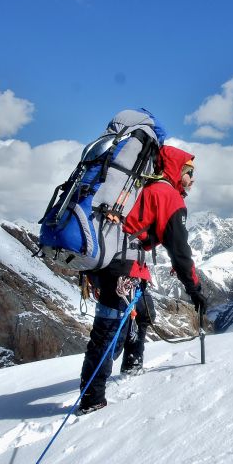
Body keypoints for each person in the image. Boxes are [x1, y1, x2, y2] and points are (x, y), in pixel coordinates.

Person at [77, 144, 207, 415]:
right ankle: (92, 398)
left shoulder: (147, 188)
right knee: (108, 331)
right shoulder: (167, 195)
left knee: (144, 312)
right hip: (122, 268)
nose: (192, 179)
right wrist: (194, 289)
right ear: (175, 170)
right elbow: (180, 251)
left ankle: (132, 365)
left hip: (115, 264)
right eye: (189, 172)